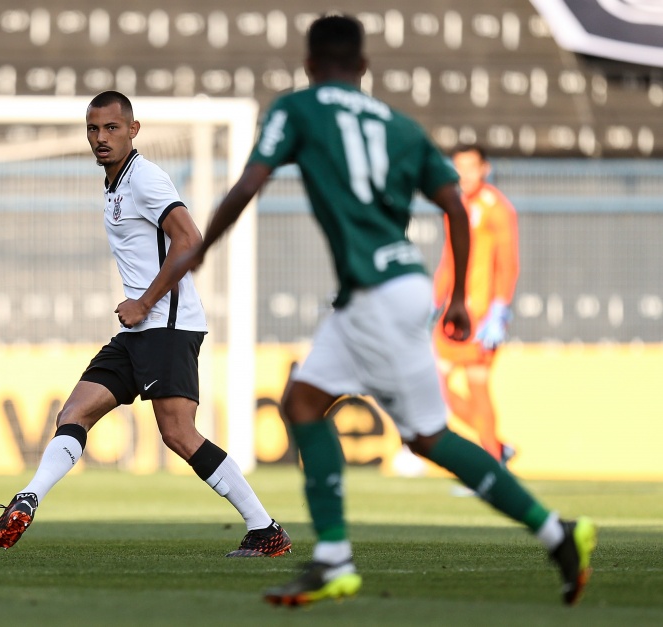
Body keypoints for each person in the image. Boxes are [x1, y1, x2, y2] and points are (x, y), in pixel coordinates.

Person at [168, 15, 595, 607]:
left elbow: (246, 186)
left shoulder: (298, 109)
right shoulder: (399, 124)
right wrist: (458, 301)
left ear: (310, 64)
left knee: (363, 418)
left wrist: (200, 252)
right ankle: (556, 533)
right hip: (402, 285)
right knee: (352, 415)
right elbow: (454, 204)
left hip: (373, 291)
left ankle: (336, 559)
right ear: (363, 67)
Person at [0, 90, 291, 559]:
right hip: (137, 331)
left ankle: (265, 529)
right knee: (75, 414)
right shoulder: (116, 182)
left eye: (111, 128)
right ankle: (28, 499)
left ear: (133, 129)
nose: (100, 138)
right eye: (93, 128)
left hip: (166, 323)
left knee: (179, 435)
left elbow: (190, 239)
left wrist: (145, 303)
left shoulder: (146, 178)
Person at [433, 143, 519, 464]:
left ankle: (493, 460)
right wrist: (434, 300)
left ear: (485, 168)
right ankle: (495, 447)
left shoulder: (496, 207)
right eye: (458, 166)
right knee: (434, 382)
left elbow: (508, 263)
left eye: (470, 166)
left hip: (480, 314)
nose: (463, 174)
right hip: (453, 312)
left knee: (476, 386)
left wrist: (499, 308)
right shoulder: (455, 205)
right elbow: (448, 260)